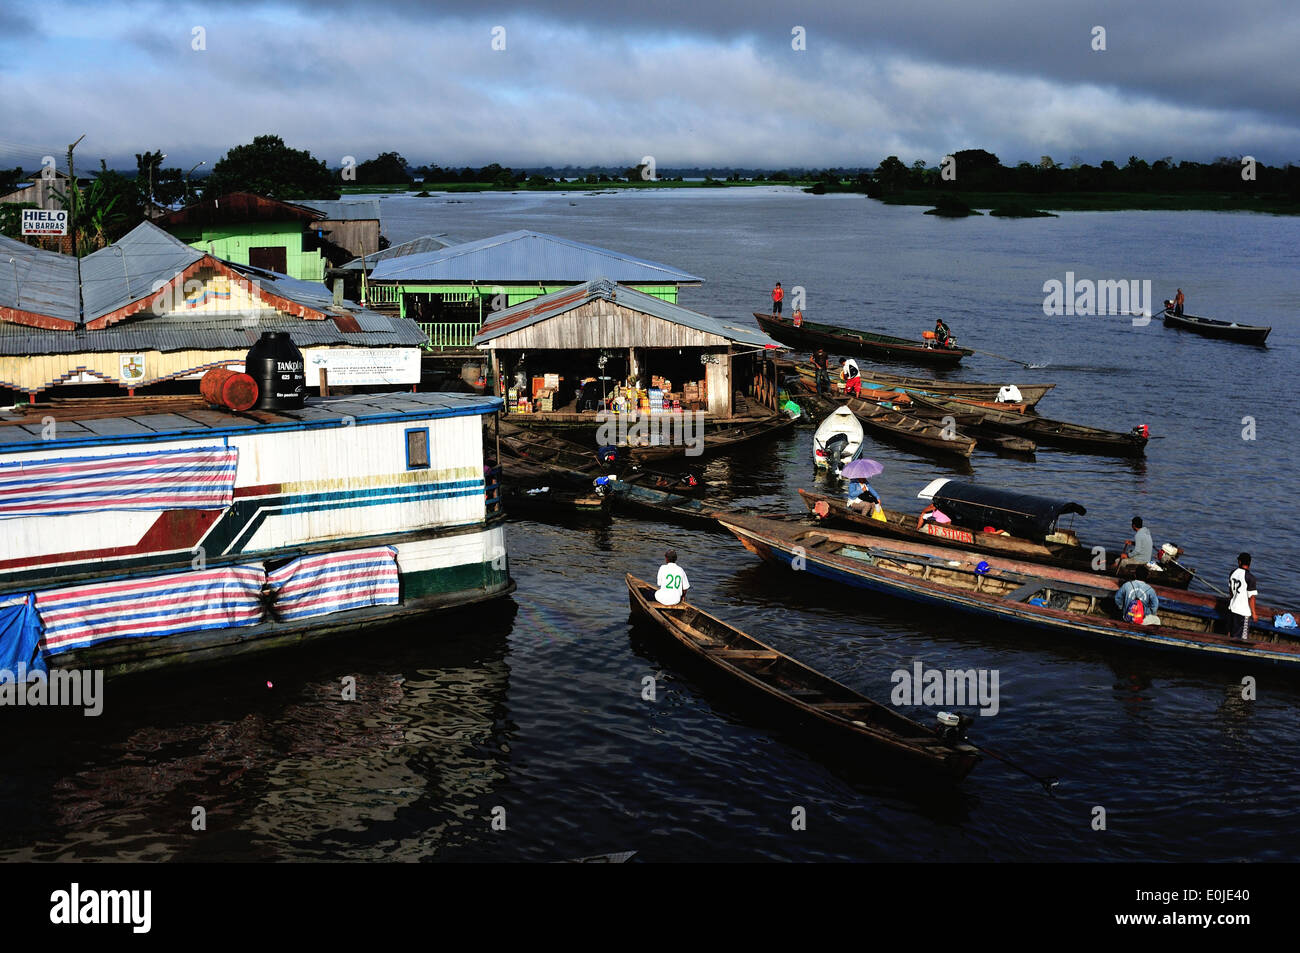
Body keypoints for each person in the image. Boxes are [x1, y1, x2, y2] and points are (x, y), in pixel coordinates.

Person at [1227, 552, 1258, 642]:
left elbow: (1231, 592)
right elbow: (1251, 598)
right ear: (1250, 563)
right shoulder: (1251, 578)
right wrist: (1254, 613)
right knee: (1242, 640)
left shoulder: (1232, 573)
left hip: (1232, 609)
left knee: (1231, 634)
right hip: (1243, 612)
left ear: (1239, 562)